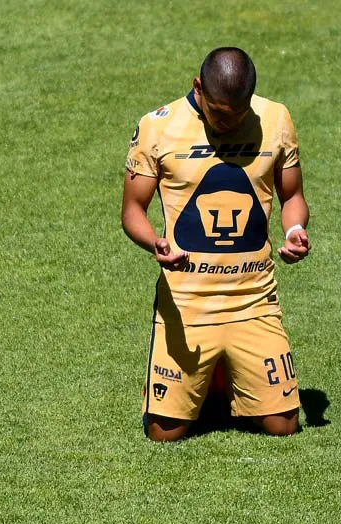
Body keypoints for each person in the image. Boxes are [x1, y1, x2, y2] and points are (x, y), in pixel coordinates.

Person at [121, 47, 311, 442]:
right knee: (164, 434)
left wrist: (294, 232)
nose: (228, 123)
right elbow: (132, 210)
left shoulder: (275, 119)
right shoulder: (158, 128)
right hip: (187, 305)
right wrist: (154, 241)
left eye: (238, 114)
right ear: (198, 89)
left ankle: (218, 377)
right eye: (219, 113)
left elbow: (291, 196)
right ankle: (209, 382)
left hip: (253, 300)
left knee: (284, 426)